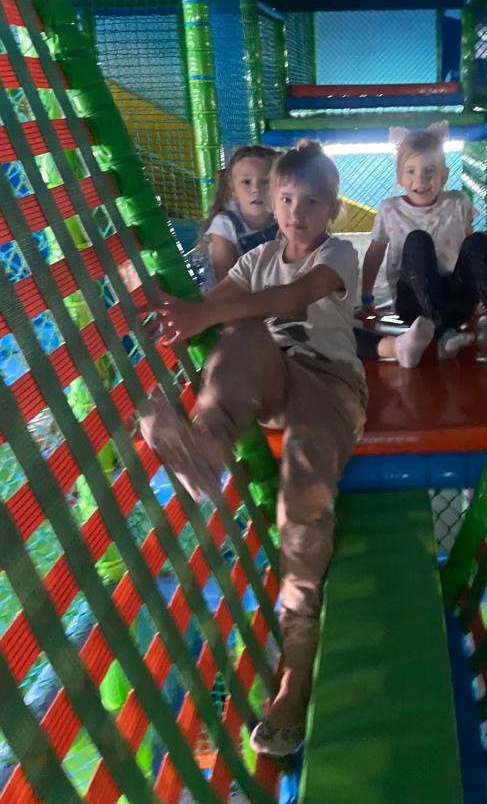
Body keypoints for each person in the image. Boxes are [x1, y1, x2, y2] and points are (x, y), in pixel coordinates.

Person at [140, 141, 367, 757]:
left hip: (331, 384)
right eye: (286, 199)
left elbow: (292, 298)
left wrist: (213, 311)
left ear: (332, 210)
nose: (297, 212)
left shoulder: (338, 254)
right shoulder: (255, 259)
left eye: (312, 202)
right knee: (242, 334)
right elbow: (215, 306)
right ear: (270, 200)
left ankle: (295, 672)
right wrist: (175, 306)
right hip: (275, 379)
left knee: (302, 500)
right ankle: (207, 446)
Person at [357, 122, 487, 367]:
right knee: (417, 240)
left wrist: (484, 295)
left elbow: (474, 253)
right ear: (399, 176)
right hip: (416, 306)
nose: (421, 179)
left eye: (430, 170)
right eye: (410, 171)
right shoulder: (390, 209)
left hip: (457, 300)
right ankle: (442, 335)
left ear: (445, 175)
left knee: (478, 240)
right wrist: (367, 300)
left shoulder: (458, 202)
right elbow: (375, 253)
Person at [195, 145, 280, 289]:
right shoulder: (225, 224)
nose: (256, 189)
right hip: (229, 294)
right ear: (233, 190)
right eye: (246, 182)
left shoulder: (281, 217)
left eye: (265, 181)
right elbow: (226, 283)